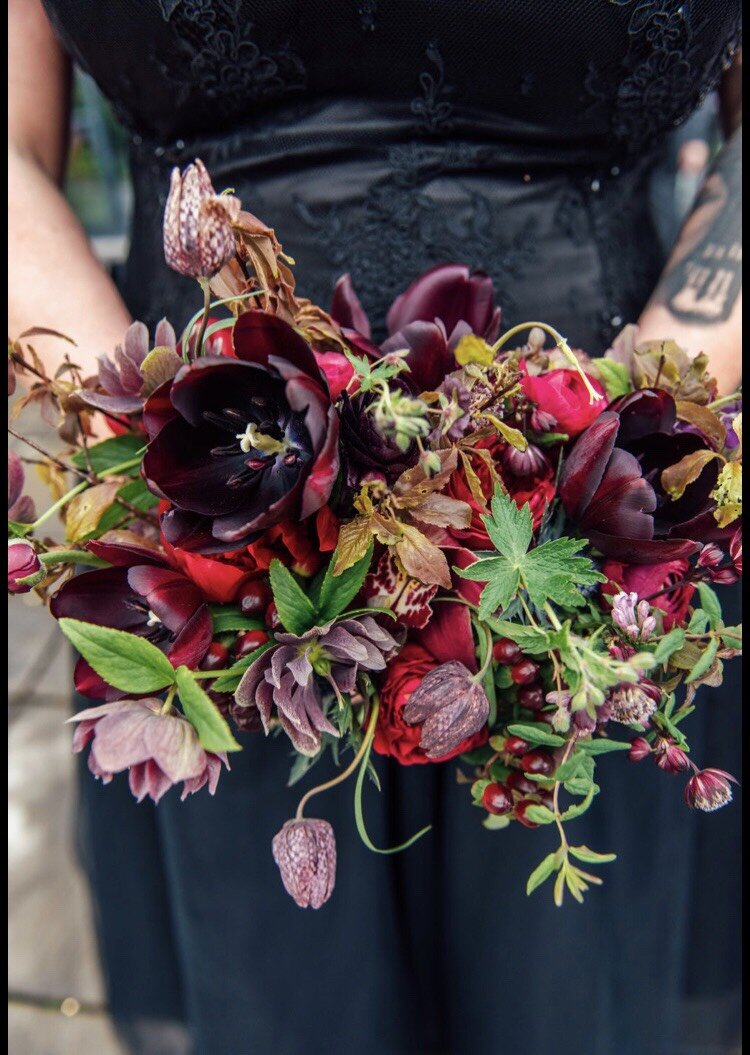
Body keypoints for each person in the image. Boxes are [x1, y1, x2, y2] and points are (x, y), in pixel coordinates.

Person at [8, 3, 742, 1054]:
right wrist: (156, 437)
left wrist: (611, 447)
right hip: (215, 564)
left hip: (595, 550)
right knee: (284, 996)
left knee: (568, 995)